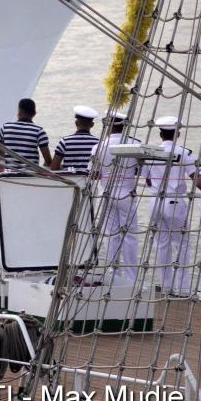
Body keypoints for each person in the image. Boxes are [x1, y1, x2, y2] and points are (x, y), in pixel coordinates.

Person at [145, 116, 201, 296]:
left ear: (160, 134)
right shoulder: (183, 152)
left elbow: (148, 180)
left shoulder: (151, 152)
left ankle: (166, 286)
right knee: (182, 244)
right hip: (174, 202)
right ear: (177, 133)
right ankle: (183, 289)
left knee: (162, 245)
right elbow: (197, 179)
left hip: (154, 201)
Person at [91, 111, 140, 285]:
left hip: (106, 193)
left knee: (110, 235)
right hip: (127, 193)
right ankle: (131, 278)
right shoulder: (135, 144)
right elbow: (143, 172)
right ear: (124, 125)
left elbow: (94, 174)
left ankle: (113, 274)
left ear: (109, 124)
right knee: (129, 236)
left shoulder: (98, 146)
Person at [0, 98, 53, 168]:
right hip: (31, 173)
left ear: (19, 111)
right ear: (34, 113)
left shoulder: (6, 127)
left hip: (9, 172)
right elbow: (48, 161)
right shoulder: (39, 131)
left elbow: (0, 153)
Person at [52, 106, 99, 172]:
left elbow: (54, 167)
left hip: (69, 178)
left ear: (76, 123)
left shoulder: (65, 141)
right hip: (89, 177)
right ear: (92, 125)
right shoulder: (98, 143)